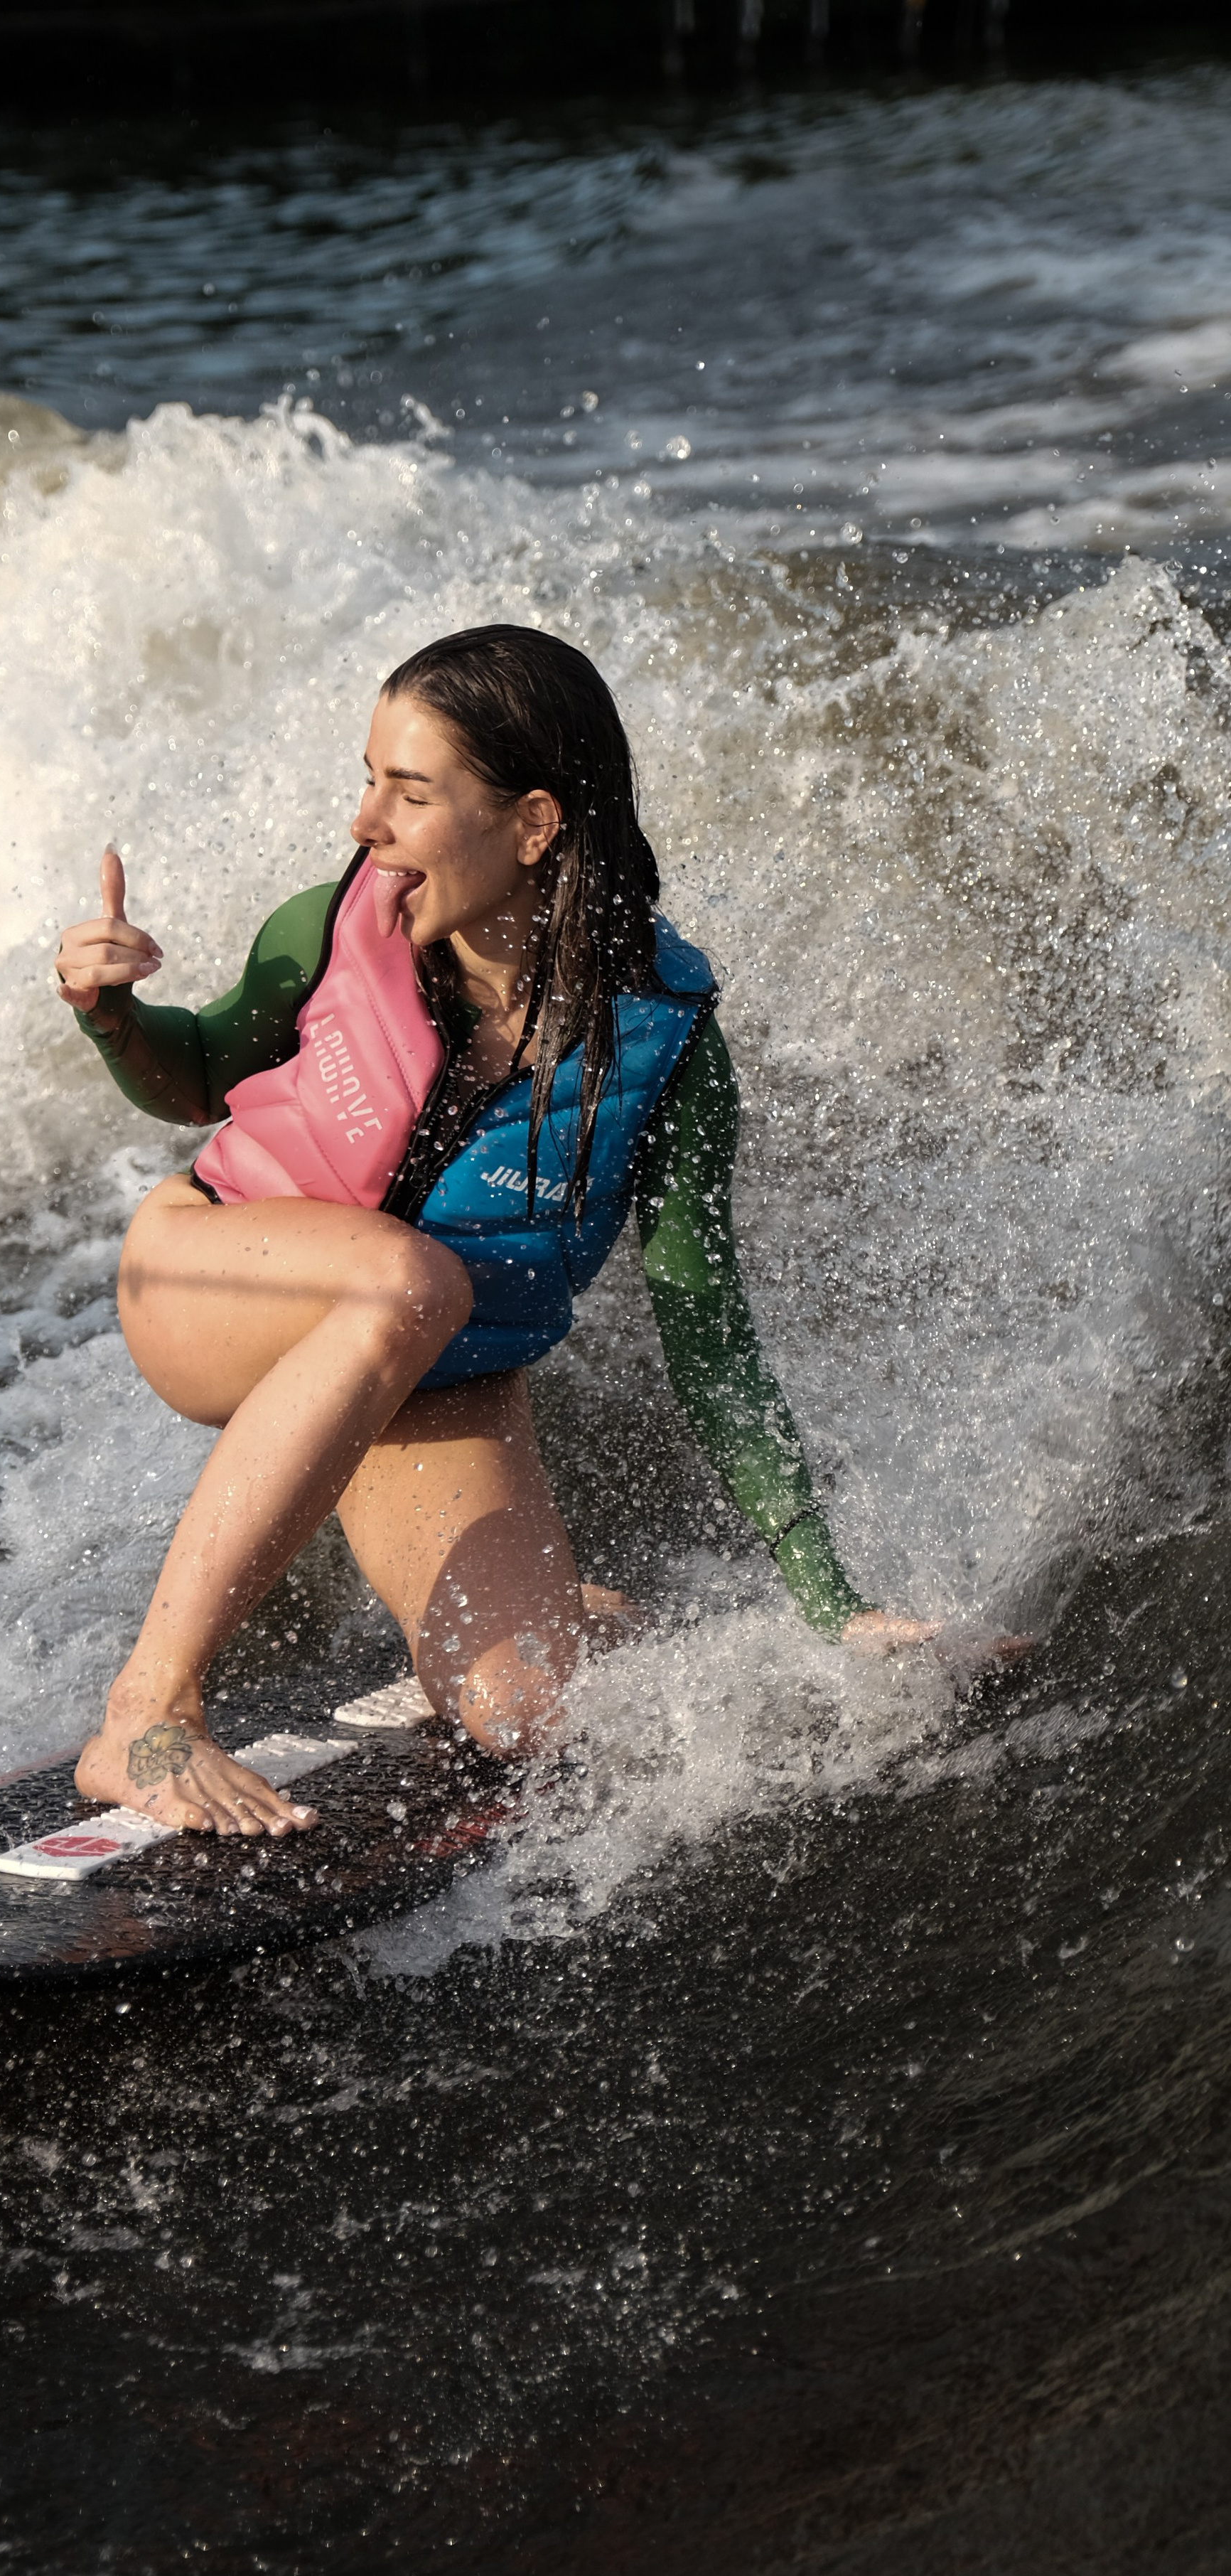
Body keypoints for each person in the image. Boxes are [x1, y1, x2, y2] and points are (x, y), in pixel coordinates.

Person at [54, 625, 936, 1839]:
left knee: (533, 1715)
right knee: (407, 1283)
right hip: (209, 1282)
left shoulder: (667, 1047)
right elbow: (198, 1074)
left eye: (410, 793)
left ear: (532, 825)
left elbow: (712, 1342)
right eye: (369, 779)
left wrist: (832, 1604)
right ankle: (147, 1714)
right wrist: (113, 1014)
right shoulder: (328, 926)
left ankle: (569, 1617)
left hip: (418, 1366)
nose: (366, 821)